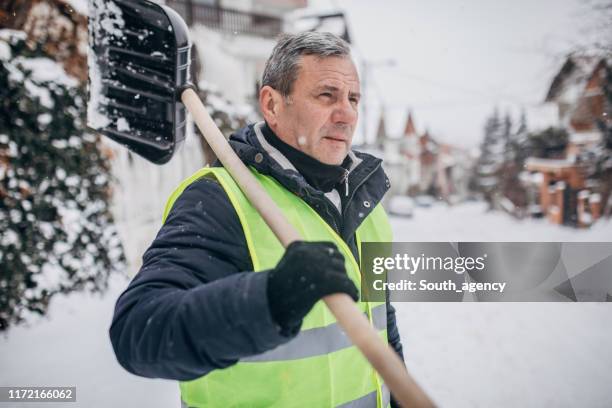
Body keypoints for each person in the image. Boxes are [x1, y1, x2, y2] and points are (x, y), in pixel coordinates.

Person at [110, 31, 404, 408]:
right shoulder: (221, 200)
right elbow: (139, 332)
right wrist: (269, 299)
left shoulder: (366, 203)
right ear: (272, 104)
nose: (346, 114)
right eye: (326, 95)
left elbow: (382, 323)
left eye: (353, 99)